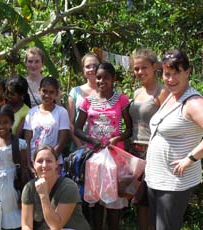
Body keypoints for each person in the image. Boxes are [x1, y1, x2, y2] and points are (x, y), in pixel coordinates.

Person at [145, 49, 203, 230]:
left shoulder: (193, 102)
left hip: (174, 182)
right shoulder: (172, 96)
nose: (171, 79)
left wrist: (190, 158)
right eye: (167, 74)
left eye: (177, 73)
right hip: (156, 177)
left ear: (187, 72)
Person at [74, 62, 132, 230]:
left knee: (113, 202)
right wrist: (91, 140)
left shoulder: (121, 99)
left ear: (113, 79)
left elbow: (130, 129)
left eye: (106, 77)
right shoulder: (88, 101)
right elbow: (77, 128)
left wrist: (117, 138)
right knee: (97, 202)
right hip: (94, 158)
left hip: (115, 157)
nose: (101, 81)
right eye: (98, 77)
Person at [128, 49, 169, 230]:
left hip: (152, 152)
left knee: (152, 201)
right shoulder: (137, 92)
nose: (140, 72)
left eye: (144, 67)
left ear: (154, 67)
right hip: (135, 152)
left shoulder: (162, 93)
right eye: (136, 69)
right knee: (139, 201)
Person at [21, 145, 90, 230]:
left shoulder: (68, 187)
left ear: (56, 164)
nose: (44, 165)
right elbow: (26, 225)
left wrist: (43, 195)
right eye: (40, 161)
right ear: (33, 164)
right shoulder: (29, 188)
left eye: (49, 161)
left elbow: (56, 226)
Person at [24, 77, 69, 165]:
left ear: (56, 93)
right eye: (44, 91)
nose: (47, 95)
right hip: (34, 162)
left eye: (51, 92)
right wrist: (30, 163)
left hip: (53, 163)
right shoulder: (31, 112)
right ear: (39, 91)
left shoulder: (62, 112)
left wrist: (49, 160)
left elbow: (62, 141)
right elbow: (27, 140)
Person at [67, 52, 101, 151]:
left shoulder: (107, 92)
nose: (91, 69)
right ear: (83, 70)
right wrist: (80, 146)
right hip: (79, 147)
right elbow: (70, 122)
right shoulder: (75, 92)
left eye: (95, 65)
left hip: (103, 146)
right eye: (87, 66)